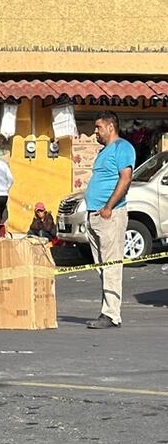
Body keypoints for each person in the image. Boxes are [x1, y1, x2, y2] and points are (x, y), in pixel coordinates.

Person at [84, 110, 136, 330]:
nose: (95, 131)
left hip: (110, 216)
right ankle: (108, 309)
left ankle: (111, 314)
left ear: (110, 127)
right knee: (103, 267)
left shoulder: (122, 147)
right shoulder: (104, 151)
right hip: (95, 216)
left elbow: (126, 178)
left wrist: (108, 207)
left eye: (98, 127)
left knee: (111, 265)